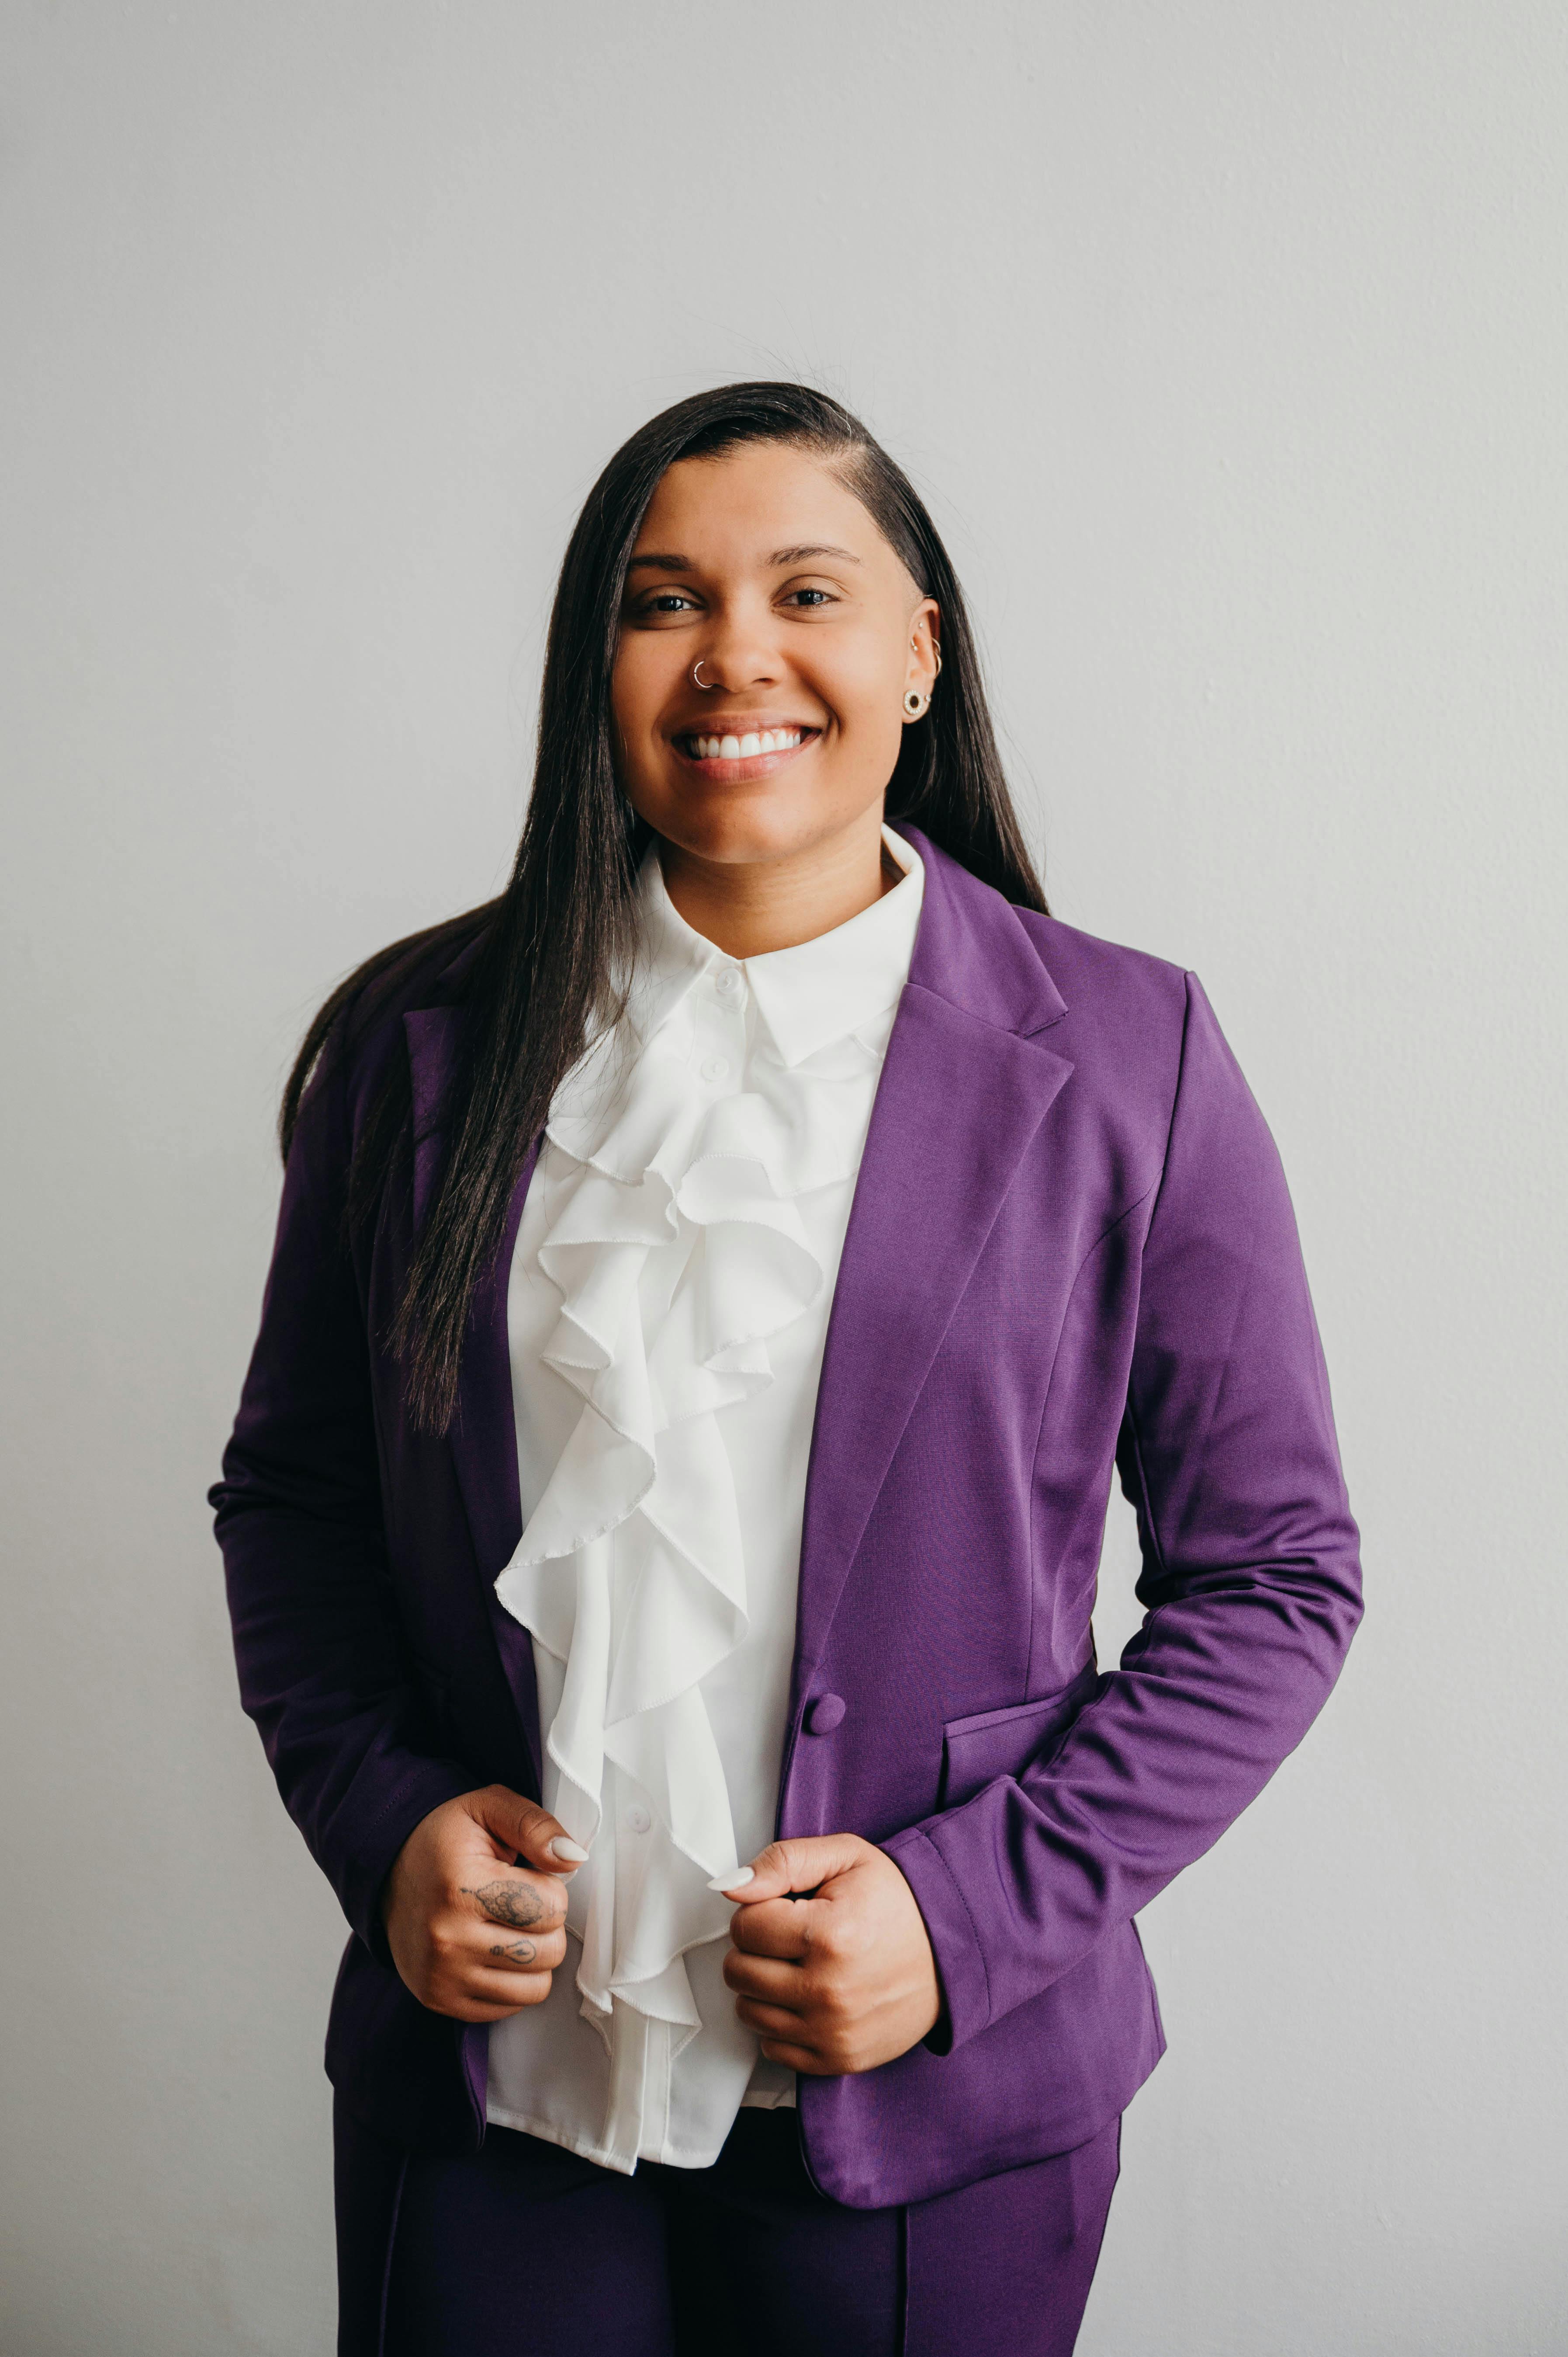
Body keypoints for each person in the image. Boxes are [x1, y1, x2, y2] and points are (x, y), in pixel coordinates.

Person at [211, 382, 1362, 2357]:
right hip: (493, 2092)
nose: (735, 652)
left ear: (919, 650)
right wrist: (387, 1821)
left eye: (805, 589)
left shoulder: (1130, 1058)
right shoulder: (418, 1049)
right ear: (600, 664)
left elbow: (1274, 1578)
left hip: (941, 2112)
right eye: (663, 602)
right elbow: (294, 1503)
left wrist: (963, 1914)